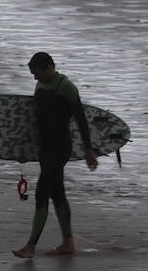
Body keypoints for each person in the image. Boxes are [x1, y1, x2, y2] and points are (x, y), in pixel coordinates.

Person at [12, 52, 98, 258]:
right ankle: (68, 243)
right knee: (57, 193)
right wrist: (22, 148)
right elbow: (33, 120)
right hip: (44, 147)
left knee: (42, 192)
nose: (35, 78)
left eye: (37, 73)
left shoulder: (66, 87)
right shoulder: (41, 85)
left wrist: (88, 150)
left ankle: (30, 246)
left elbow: (81, 120)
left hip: (60, 147)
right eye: (33, 74)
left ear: (49, 67)